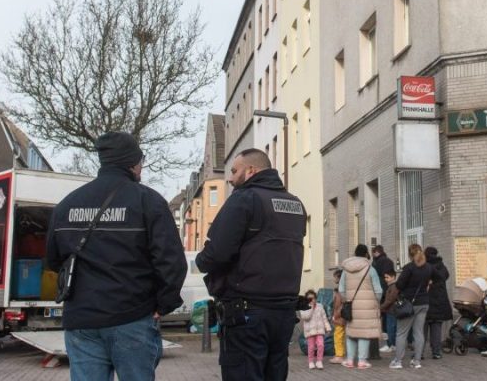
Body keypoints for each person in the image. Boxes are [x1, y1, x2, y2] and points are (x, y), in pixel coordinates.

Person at [46, 131, 187, 381]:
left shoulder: (67, 205)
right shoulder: (148, 201)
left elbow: (54, 260)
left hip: (81, 319)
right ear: (133, 162)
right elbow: (171, 262)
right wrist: (163, 304)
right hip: (131, 316)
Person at [196, 148, 306, 381]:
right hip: (284, 313)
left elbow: (217, 252)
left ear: (251, 171)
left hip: (247, 313)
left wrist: (200, 261)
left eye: (234, 171)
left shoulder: (244, 199)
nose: (230, 177)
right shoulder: (295, 204)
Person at [339, 244, 382, 369]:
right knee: (364, 332)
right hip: (368, 306)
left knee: (351, 332)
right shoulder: (370, 269)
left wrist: (347, 300)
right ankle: (362, 361)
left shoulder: (346, 270)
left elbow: (341, 289)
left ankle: (350, 360)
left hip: (351, 305)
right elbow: (378, 291)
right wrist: (375, 302)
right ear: (365, 254)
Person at [391, 244, 433, 370]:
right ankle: (417, 361)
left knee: (402, 333)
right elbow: (437, 278)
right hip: (424, 303)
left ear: (410, 255)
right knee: (419, 332)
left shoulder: (409, 268)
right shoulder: (428, 267)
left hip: (409, 304)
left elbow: (399, 284)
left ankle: (398, 361)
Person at [424, 246, 452, 359]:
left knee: (422, 328)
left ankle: (419, 352)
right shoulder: (442, 266)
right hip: (440, 302)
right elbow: (446, 276)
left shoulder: (426, 267)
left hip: (426, 301)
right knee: (436, 327)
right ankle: (436, 352)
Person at [299, 289, 332, 370]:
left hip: (319, 330)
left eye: (313, 298)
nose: (312, 300)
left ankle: (319, 361)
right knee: (311, 347)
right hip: (310, 331)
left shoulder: (320, 306)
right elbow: (305, 317)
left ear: (316, 298)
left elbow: (324, 318)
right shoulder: (304, 306)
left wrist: (327, 327)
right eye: (309, 298)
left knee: (321, 345)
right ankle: (311, 361)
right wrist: (311, 308)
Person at [372, 245, 395, 353]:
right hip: (388, 292)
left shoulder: (377, 262)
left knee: (385, 320)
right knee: (388, 319)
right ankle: (391, 343)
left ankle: (389, 343)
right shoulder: (389, 261)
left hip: (380, 292)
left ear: (376, 252)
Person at [379, 269, 399, 353]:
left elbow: (390, 300)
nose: (385, 279)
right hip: (389, 310)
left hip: (392, 311)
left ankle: (392, 345)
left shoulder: (394, 286)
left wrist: (381, 307)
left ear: (393, 277)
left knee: (391, 329)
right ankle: (391, 344)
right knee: (389, 328)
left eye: (387, 277)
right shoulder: (391, 286)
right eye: (385, 277)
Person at [330, 269, 346, 364]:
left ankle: (339, 356)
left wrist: (335, 315)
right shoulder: (342, 288)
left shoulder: (340, 290)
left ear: (339, 278)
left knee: (338, 336)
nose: (334, 279)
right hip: (341, 317)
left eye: (335, 277)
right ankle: (340, 353)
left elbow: (340, 305)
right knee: (340, 336)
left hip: (339, 317)